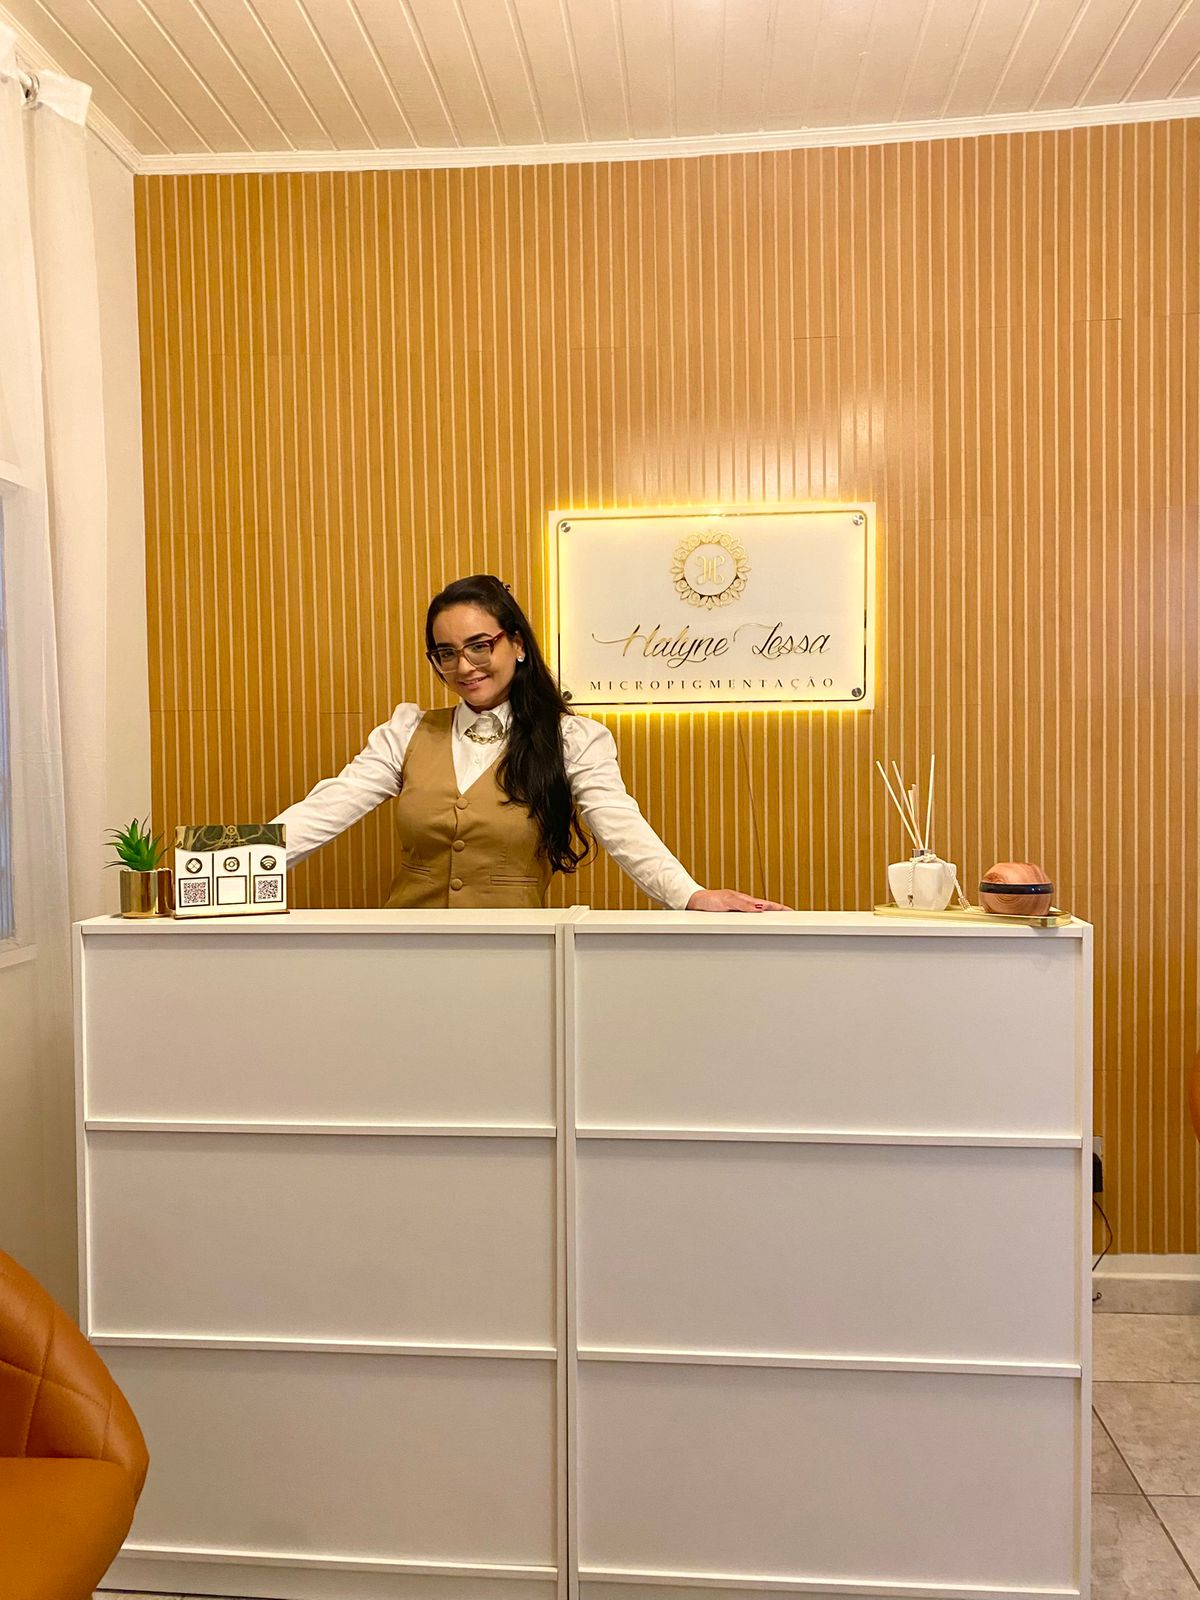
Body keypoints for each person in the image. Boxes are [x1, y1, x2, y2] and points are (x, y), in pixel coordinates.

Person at [274, 575, 787, 913]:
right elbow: (324, 809)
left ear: (516, 644)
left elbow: (622, 828)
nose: (464, 666)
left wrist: (690, 895)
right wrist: (235, 864)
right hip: (407, 949)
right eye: (445, 653)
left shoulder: (571, 740)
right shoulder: (406, 732)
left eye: (479, 646)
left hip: (515, 956)